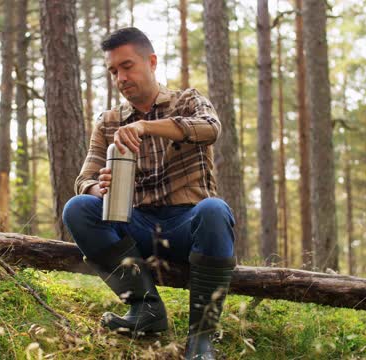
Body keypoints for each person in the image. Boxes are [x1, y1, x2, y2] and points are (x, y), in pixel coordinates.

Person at [62, 27, 236, 360]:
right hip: (136, 226)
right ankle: (145, 309)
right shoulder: (109, 122)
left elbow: (210, 129)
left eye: (127, 66)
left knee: (215, 210)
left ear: (151, 62)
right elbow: (83, 179)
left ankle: (201, 339)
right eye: (114, 71)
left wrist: (145, 127)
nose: (120, 78)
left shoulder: (187, 101)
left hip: (189, 226)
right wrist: (100, 187)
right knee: (78, 207)